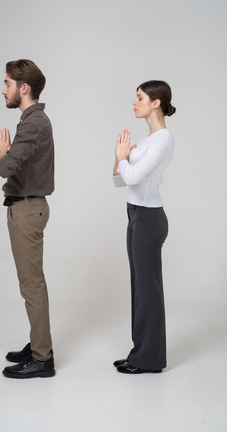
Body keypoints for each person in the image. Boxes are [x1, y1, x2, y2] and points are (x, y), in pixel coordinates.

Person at [0, 59, 55, 379]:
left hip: (27, 211)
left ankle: (42, 358)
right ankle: (38, 345)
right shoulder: (33, 120)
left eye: (7, 83)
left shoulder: (32, 122)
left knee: (31, 285)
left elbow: (7, 168)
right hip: (28, 208)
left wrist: (3, 154)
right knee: (31, 283)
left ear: (24, 88)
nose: (3, 89)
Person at [113, 80, 176, 374]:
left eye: (139, 97)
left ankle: (149, 360)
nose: (134, 102)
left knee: (147, 289)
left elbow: (133, 178)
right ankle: (140, 352)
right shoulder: (147, 140)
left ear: (156, 103)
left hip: (149, 219)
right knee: (140, 286)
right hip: (136, 215)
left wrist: (125, 161)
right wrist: (120, 159)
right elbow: (119, 178)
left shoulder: (163, 138)